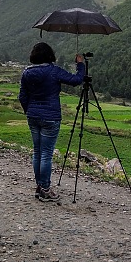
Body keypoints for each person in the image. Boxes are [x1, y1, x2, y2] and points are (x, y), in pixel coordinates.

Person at [18, 42, 85, 202]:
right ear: (49, 55)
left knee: (37, 152)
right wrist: (81, 64)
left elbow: (22, 96)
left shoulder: (26, 73)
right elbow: (76, 80)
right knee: (46, 154)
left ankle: (40, 186)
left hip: (33, 116)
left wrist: (30, 110)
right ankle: (45, 189)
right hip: (51, 117)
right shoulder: (53, 71)